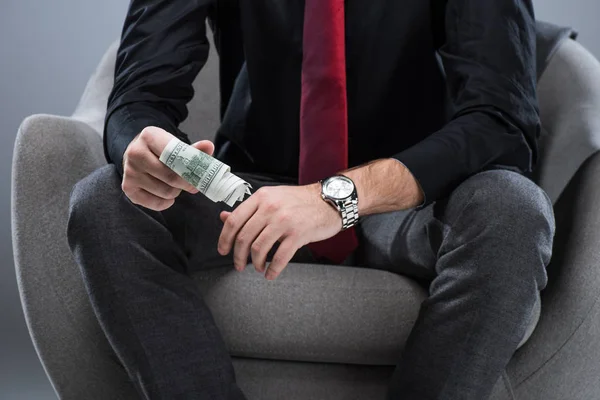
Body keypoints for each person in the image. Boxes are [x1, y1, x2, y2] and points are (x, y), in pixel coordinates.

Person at [66, 0, 555, 399]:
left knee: (512, 209)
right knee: (104, 202)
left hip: (409, 198)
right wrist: (147, 147)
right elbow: (139, 94)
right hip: (254, 190)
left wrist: (333, 198)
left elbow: (501, 124)